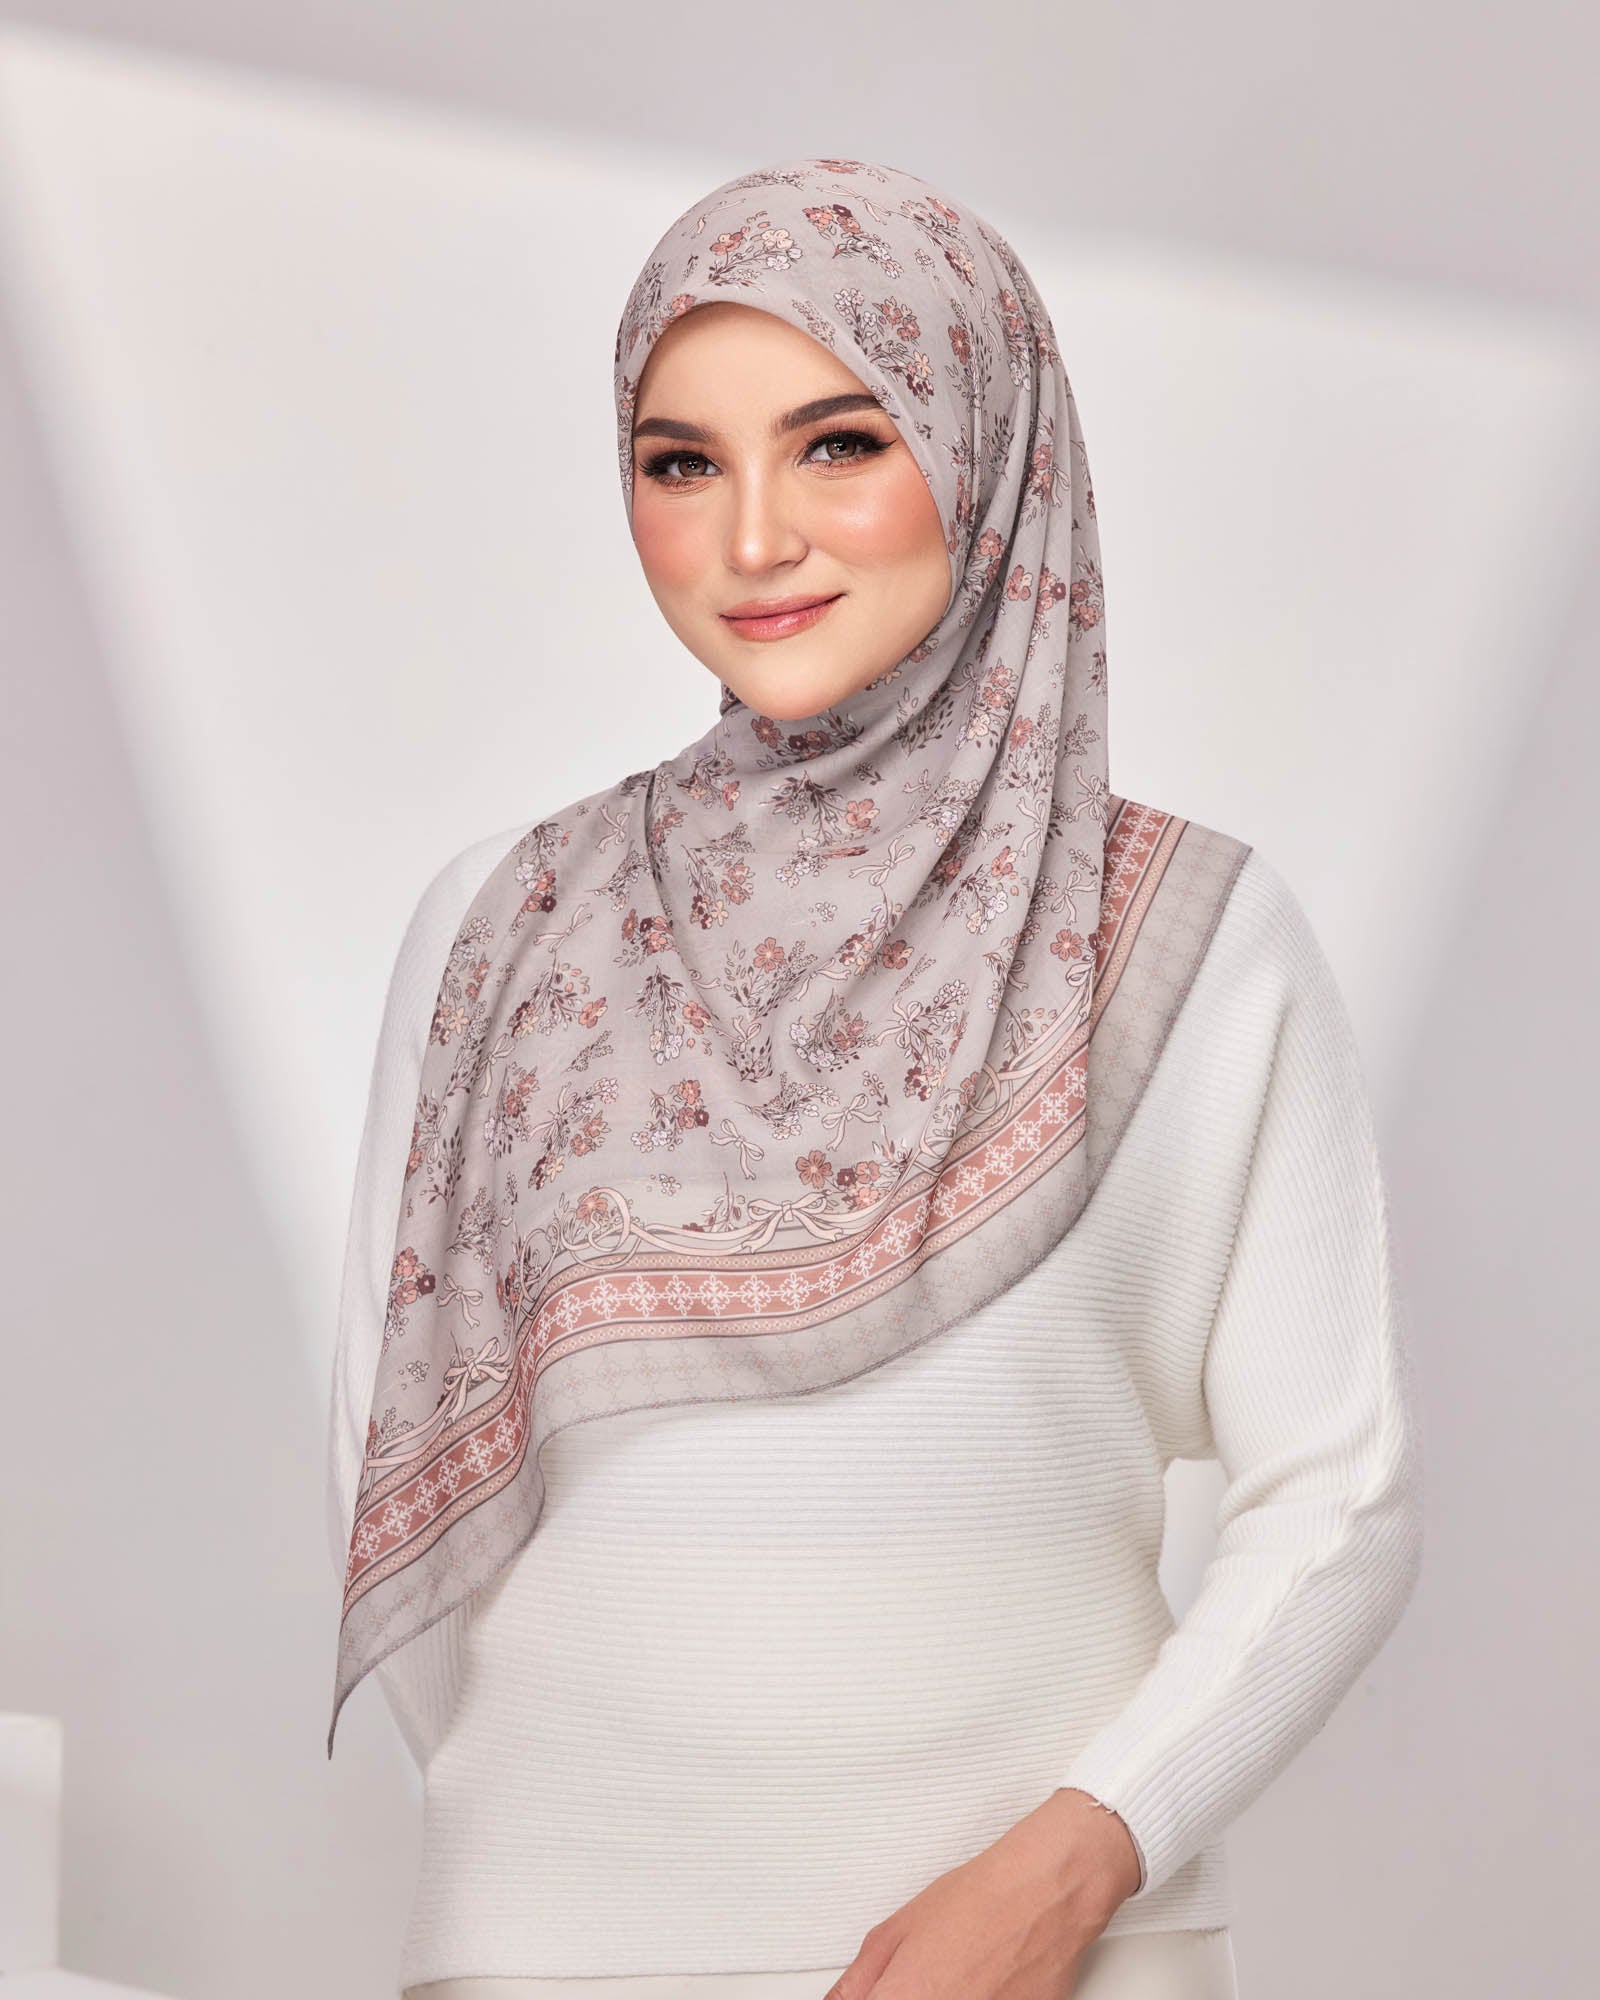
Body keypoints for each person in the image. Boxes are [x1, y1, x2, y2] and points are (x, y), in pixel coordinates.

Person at [324, 158, 1425, 2000]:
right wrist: (596, 1877)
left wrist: (1072, 1869)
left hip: (1050, 1959)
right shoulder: (502, 928)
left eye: (840, 442)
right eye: (681, 463)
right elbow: (396, 1454)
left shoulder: (1187, 936)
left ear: (989, 450)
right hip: (555, 1956)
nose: (753, 539)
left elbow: (1343, 1500)